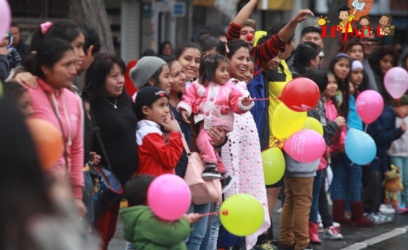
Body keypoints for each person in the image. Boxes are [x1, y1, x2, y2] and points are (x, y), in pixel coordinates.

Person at [0, 98, 98, 250]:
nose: (31, 111)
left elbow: (78, 147)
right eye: (24, 105)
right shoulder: (34, 221)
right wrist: (65, 207)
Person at [82, 53, 138, 249]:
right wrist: (88, 154)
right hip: (102, 182)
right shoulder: (89, 104)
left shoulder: (124, 99)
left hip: (123, 182)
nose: (121, 80)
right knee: (99, 235)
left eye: (122, 74)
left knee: (109, 233)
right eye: (114, 76)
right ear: (99, 78)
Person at [25, 38, 85, 216]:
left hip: (63, 193)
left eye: (74, 64)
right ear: (45, 67)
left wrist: (77, 196)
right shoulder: (26, 93)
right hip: (32, 193)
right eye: (66, 65)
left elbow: (77, 148)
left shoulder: (73, 98)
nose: (73, 71)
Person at [220, 39, 269, 250]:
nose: (244, 63)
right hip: (225, 169)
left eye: (247, 59)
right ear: (226, 60)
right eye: (239, 58)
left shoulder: (244, 89)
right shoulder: (222, 91)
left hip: (245, 168)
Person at [178, 54, 253, 186]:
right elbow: (188, 98)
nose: (226, 74)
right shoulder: (197, 86)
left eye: (227, 70)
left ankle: (211, 165)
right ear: (209, 72)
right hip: (204, 123)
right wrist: (185, 109)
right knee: (208, 144)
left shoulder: (230, 88)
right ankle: (223, 174)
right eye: (222, 70)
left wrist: (244, 104)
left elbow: (236, 104)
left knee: (202, 140)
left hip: (220, 123)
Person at [302, 70, 345, 244]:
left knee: (319, 195)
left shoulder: (319, 103)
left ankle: (319, 227)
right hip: (311, 159)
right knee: (309, 199)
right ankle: (309, 232)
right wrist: (335, 124)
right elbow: (320, 132)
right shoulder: (311, 106)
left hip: (320, 158)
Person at [120, 174, 200, 250]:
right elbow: (173, 235)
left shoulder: (148, 215)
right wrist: (186, 221)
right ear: (147, 198)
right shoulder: (145, 219)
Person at [364, 96, 408, 222]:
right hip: (373, 153)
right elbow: (381, 137)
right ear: (400, 105)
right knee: (374, 182)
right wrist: (399, 131)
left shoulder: (389, 114)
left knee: (377, 181)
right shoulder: (387, 114)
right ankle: (369, 211)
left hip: (378, 153)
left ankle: (374, 210)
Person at [134, 86, 183, 176]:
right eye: (161, 105)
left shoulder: (152, 130)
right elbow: (170, 159)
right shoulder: (148, 132)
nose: (167, 110)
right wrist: (175, 133)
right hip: (152, 185)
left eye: (167, 105)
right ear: (146, 110)